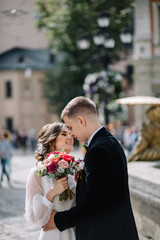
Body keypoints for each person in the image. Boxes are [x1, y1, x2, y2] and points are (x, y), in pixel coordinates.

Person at [42, 96, 139, 240]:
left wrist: (58, 220)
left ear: (81, 120)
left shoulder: (98, 150)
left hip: (106, 233)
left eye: (70, 127)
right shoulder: (110, 141)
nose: (71, 134)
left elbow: (93, 205)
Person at [25, 122, 76, 240]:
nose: (70, 137)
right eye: (64, 134)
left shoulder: (74, 169)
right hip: (52, 235)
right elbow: (34, 217)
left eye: (70, 134)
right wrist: (52, 193)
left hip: (75, 233)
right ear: (51, 141)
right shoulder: (37, 172)